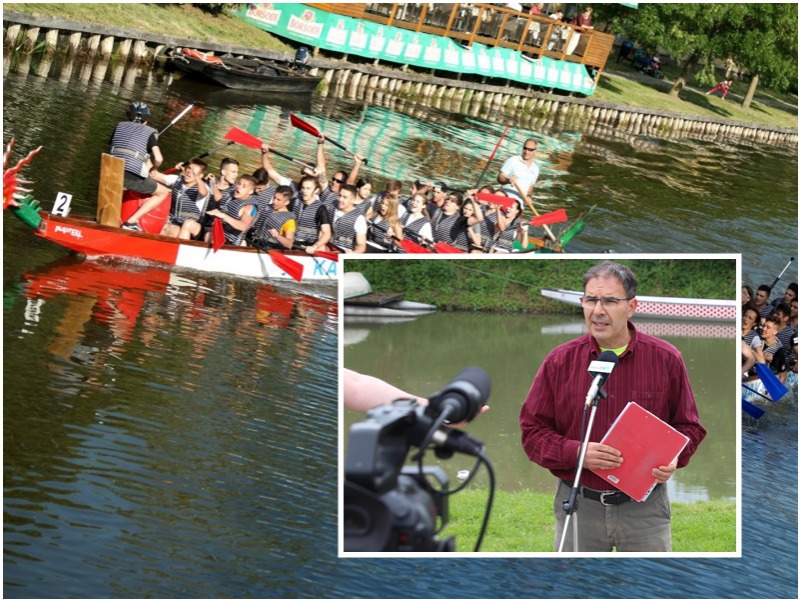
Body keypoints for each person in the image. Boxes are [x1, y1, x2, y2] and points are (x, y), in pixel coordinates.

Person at [519, 261, 707, 552]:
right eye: (591, 299)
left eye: (609, 301)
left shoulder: (666, 358)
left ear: (631, 306)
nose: (598, 310)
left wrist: (673, 459)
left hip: (645, 510)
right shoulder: (559, 361)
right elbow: (532, 434)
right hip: (579, 505)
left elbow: (690, 428)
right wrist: (577, 453)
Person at [112, 102, 170, 231]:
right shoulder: (150, 132)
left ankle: (111, 217)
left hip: (110, 172)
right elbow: (159, 159)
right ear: (146, 120)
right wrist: (154, 169)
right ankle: (131, 222)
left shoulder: (119, 126)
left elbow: (121, 149)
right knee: (163, 192)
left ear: (128, 116)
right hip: (128, 177)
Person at [153, 158, 211, 239]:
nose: (189, 172)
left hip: (194, 226)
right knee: (163, 227)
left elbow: (203, 193)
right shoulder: (177, 179)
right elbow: (154, 175)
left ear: (200, 176)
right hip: (173, 220)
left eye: (194, 171)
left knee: (177, 229)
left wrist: (195, 176)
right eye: (189, 168)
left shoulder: (204, 187)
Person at [205, 175, 258, 246]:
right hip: (216, 231)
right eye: (239, 183)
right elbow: (219, 199)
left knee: (209, 235)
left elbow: (243, 226)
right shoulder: (232, 193)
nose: (239, 187)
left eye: (243, 186)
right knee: (208, 233)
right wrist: (214, 183)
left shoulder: (250, 207)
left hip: (231, 241)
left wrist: (223, 215)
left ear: (250, 191)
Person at [497, 139, 539, 214]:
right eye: (525, 148)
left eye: (530, 150)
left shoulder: (536, 169)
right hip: (504, 202)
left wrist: (529, 196)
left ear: (535, 150)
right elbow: (500, 178)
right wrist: (508, 180)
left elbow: (530, 186)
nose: (526, 152)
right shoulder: (513, 160)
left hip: (518, 207)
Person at [250, 185, 296, 250]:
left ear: (287, 202)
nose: (274, 201)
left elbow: (289, 244)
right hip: (254, 244)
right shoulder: (267, 207)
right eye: (274, 197)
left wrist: (278, 236)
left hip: (270, 250)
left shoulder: (290, 220)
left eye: (278, 200)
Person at [331, 184, 367, 253]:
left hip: (344, 252)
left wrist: (353, 254)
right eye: (340, 196)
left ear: (352, 200)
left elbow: (361, 245)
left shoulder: (359, 218)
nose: (340, 199)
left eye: (345, 197)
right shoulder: (332, 207)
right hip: (327, 248)